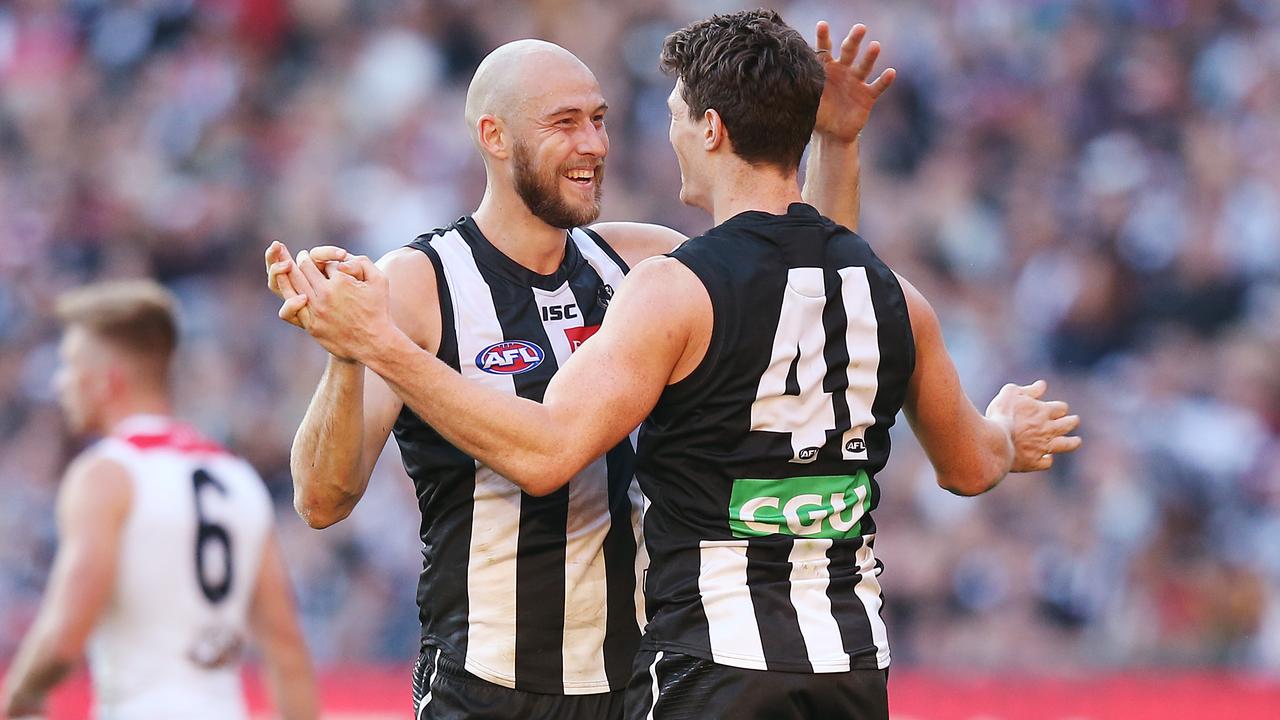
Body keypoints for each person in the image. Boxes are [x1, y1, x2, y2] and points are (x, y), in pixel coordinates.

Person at [274, 9, 1083, 720]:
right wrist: (353, 352)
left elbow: (799, 289)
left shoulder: (644, 263)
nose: (594, 144)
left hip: (644, 678)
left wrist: (831, 144)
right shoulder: (417, 283)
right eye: (565, 123)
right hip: (492, 680)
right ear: (494, 136)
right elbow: (321, 496)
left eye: (601, 119)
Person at [1, 281, 317, 720]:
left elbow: (65, 634)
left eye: (71, 366)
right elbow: (286, 648)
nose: (61, 383)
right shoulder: (236, 477)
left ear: (107, 380)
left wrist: (19, 695)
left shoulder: (107, 475)